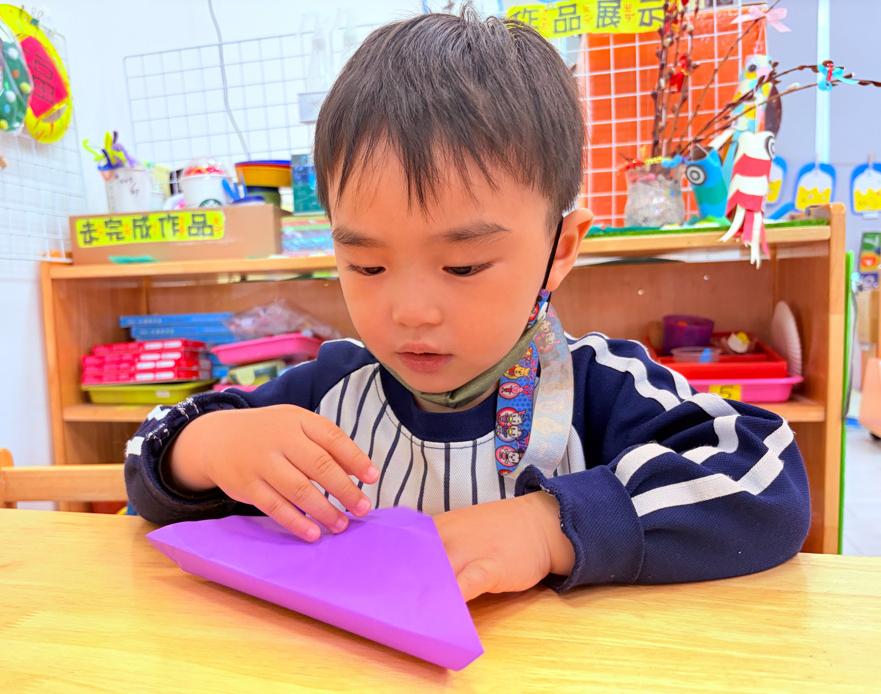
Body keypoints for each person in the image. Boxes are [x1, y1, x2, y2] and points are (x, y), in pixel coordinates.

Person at [125, 9, 810, 601]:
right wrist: (207, 446)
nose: (411, 311)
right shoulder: (330, 390)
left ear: (561, 249)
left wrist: (550, 527)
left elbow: (768, 476)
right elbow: (146, 457)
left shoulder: (601, 388)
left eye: (463, 266)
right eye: (366, 265)